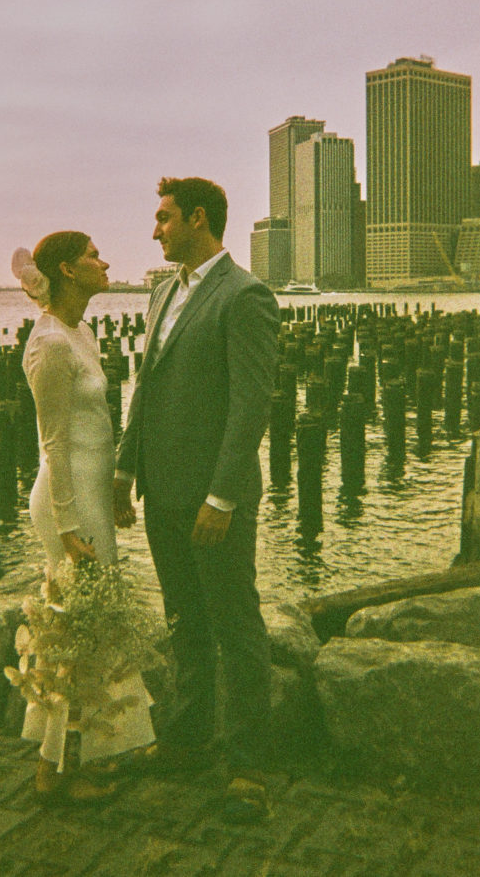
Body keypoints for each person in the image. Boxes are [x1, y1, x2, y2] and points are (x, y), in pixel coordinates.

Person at [114, 177, 280, 823]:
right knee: (184, 619)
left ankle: (247, 766)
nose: (155, 230)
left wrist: (223, 495)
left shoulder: (245, 297)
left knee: (236, 623)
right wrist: (127, 469)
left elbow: (249, 407)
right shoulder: (162, 294)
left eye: (164, 218)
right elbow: (146, 386)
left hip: (215, 500)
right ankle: (185, 739)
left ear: (199, 219)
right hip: (163, 491)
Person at [12, 231, 155, 803]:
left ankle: (87, 754)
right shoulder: (48, 344)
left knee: (89, 627)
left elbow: (96, 430)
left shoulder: (82, 332)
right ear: (69, 270)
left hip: (93, 494)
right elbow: (52, 445)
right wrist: (68, 528)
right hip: (66, 502)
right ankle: (53, 769)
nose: (106, 261)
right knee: (73, 628)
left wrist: (117, 487)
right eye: (95, 255)